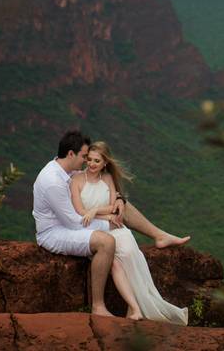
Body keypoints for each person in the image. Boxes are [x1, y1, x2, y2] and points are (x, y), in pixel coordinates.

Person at [32, 130, 190, 319]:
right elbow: (74, 222)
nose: (86, 162)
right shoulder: (52, 181)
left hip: (73, 221)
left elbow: (102, 189)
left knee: (121, 207)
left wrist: (119, 200)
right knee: (106, 242)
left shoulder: (66, 169)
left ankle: (159, 235)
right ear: (71, 154)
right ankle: (98, 306)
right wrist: (111, 221)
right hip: (56, 231)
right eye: (84, 156)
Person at [70, 140, 189, 325]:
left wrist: (95, 211)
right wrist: (104, 216)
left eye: (97, 161)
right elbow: (79, 211)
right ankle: (135, 308)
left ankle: (133, 309)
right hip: (94, 231)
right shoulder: (77, 180)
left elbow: (113, 206)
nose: (92, 164)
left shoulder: (108, 178)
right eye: (90, 160)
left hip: (116, 230)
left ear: (105, 163)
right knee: (117, 263)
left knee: (131, 255)